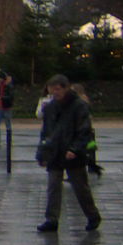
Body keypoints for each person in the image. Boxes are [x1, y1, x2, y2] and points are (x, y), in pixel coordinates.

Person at [36, 74, 101, 232]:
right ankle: (51, 219)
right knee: (53, 186)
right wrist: (42, 153)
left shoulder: (79, 106)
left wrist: (75, 149)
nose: (55, 94)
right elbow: (46, 132)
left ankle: (92, 215)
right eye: (52, 91)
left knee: (80, 187)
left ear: (65, 88)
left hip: (72, 153)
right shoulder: (50, 107)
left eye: (57, 90)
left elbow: (84, 130)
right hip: (55, 152)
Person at [0, 73, 15, 149]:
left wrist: (1, 98)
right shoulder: (0, 87)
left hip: (7, 108)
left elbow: (11, 97)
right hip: (0, 108)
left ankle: (9, 140)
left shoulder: (9, 87)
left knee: (8, 125)